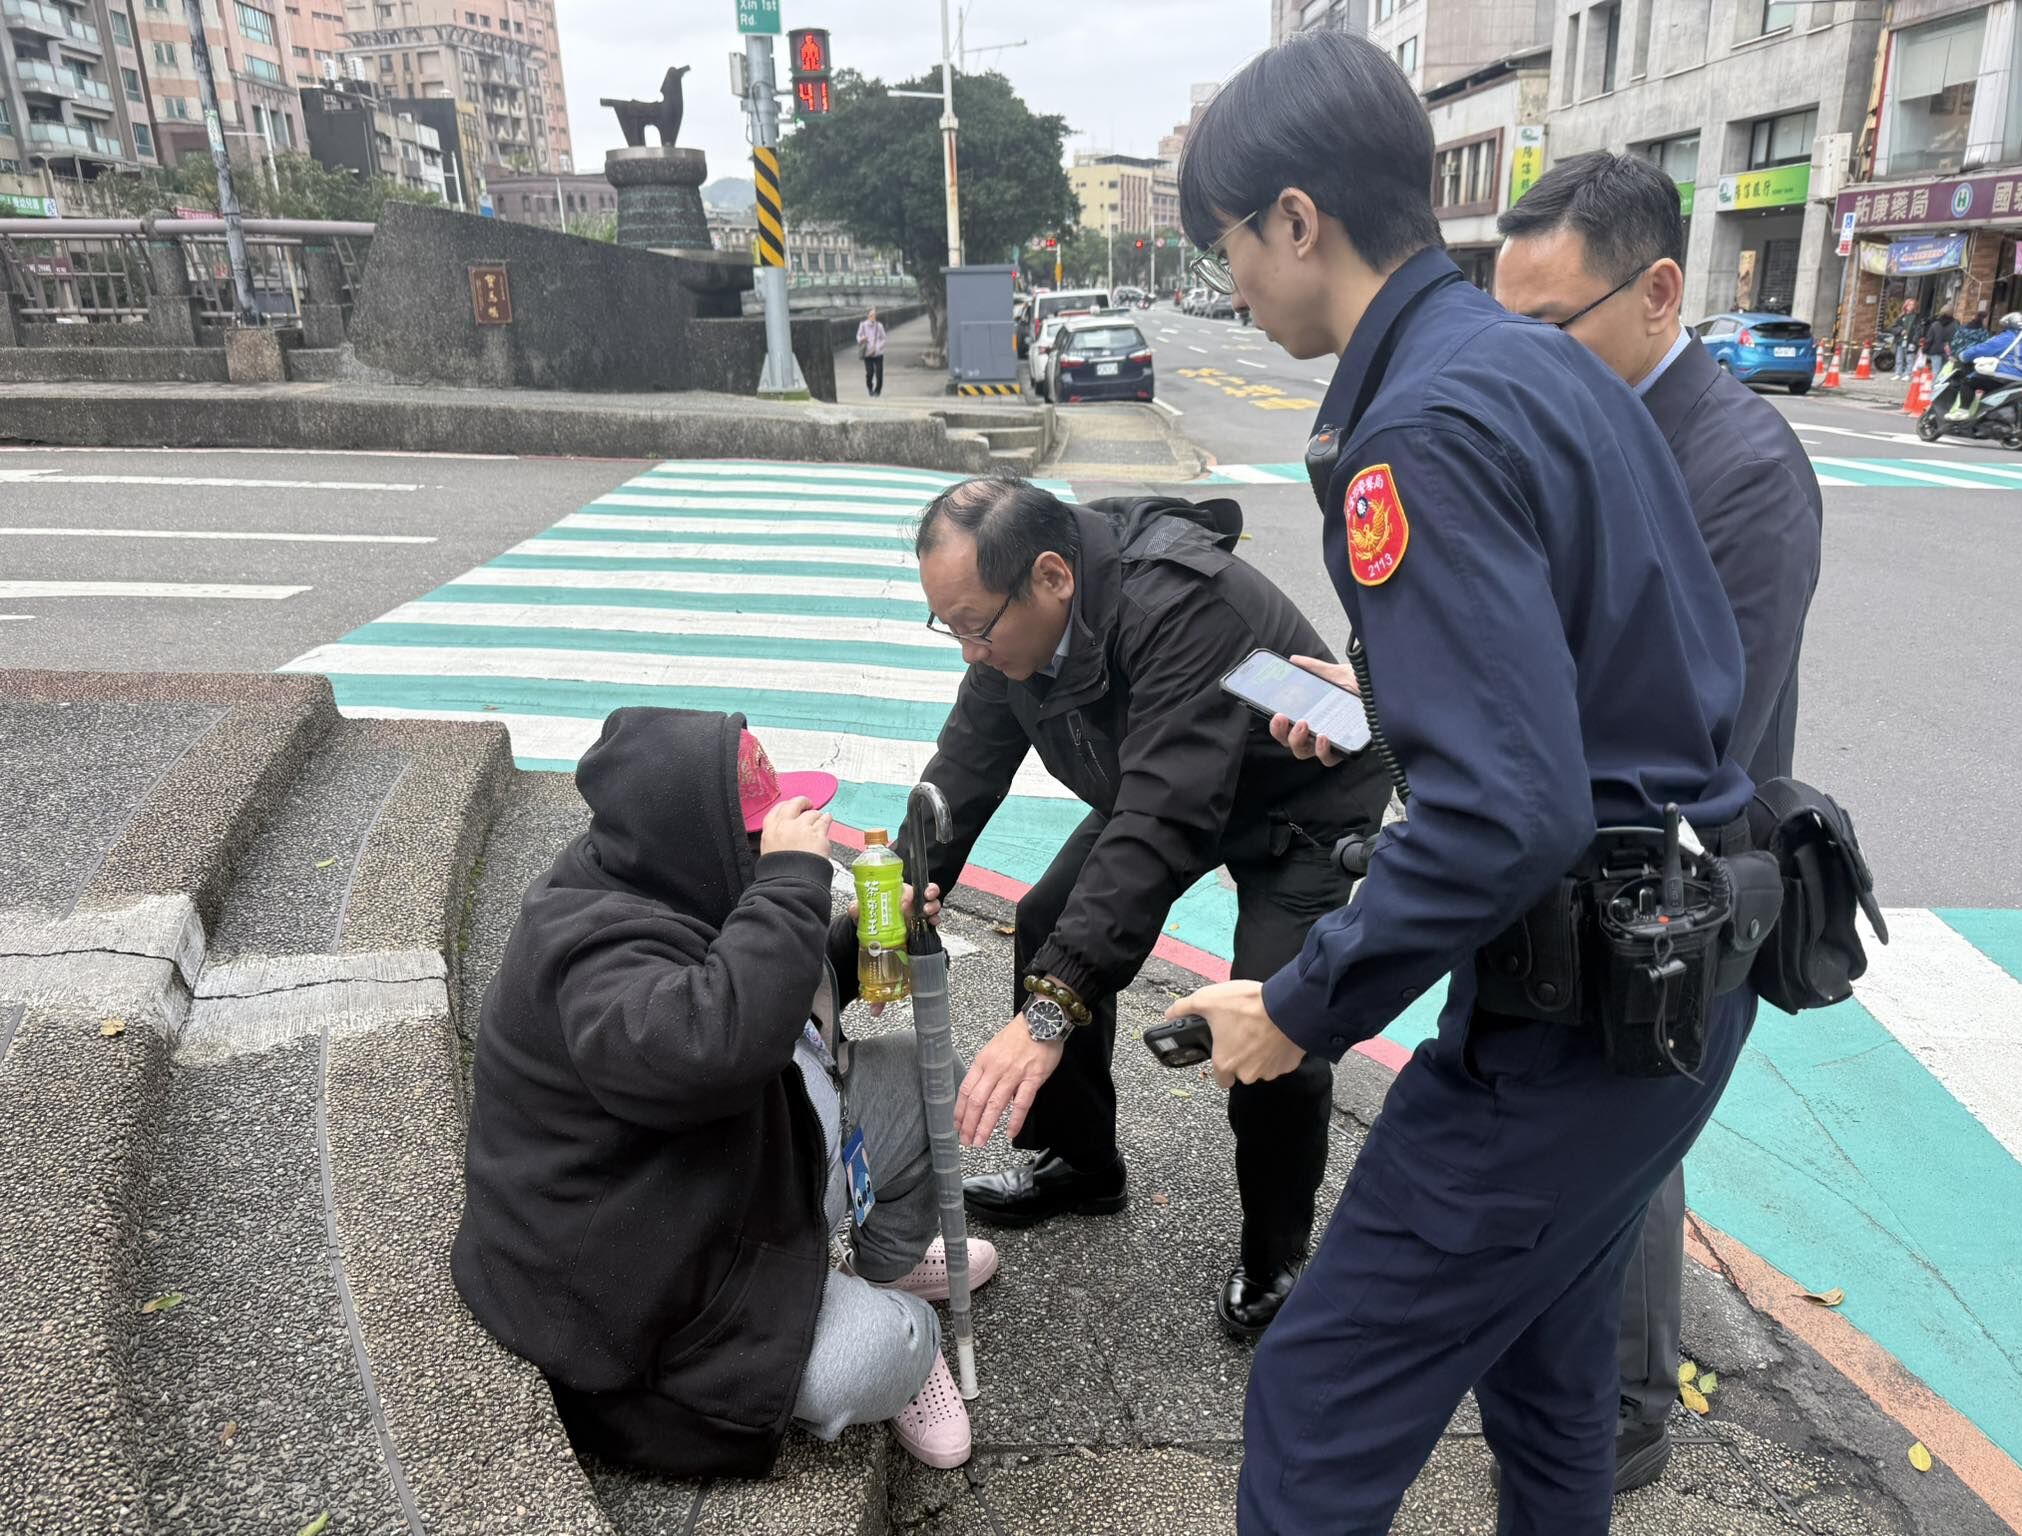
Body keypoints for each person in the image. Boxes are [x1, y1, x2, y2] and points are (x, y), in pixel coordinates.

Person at [1169, 31, 1755, 1534]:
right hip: (1680, 972)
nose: (1229, 281)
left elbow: (1512, 811)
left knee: (1317, 1397)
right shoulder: (1539, 373)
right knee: (1552, 1382)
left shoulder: (1415, 426)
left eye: (1226, 243)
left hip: (1580, 1011)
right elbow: (1624, 678)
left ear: (1296, 219)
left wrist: (1296, 1006)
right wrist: (1413, 699)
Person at [1493, 150, 1824, 1495]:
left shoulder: (1742, 467)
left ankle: (1625, 1417)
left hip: (1660, 895)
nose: (1518, 362)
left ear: (1659, 291)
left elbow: (1689, 744)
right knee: (1572, 1165)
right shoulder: (1560, 432)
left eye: (1546, 328)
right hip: (1543, 873)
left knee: (1623, 1170)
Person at [452, 709, 998, 1478]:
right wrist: (792, 885)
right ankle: (899, 1334)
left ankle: (880, 1268)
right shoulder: (592, 952)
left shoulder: (667, 882)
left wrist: (854, 938)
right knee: (886, 1350)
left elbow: (755, 988)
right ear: (694, 841)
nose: (771, 851)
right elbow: (716, 1047)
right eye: (755, 841)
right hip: (649, 1275)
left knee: (913, 1072)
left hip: (716, 1178)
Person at [908, 476, 1390, 1338]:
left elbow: (1163, 821)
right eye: (948, 629)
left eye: (975, 627)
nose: (968, 652)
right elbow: (968, 761)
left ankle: (1276, 1251)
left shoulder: (1177, 606)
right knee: (1052, 920)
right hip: (1161, 775)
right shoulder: (1011, 633)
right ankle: (1085, 1164)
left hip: (1296, 800)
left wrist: (1051, 1011)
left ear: (1052, 577)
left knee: (1276, 1014)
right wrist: (915, 874)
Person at [1950, 309, 2022, 418]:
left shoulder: (2007, 337)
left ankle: (1962, 412)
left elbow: (1983, 349)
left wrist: (1963, 356)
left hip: (2005, 377)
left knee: (1969, 381)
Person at [857, 307, 888, 397]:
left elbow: (884, 339)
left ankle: (877, 390)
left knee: (879, 373)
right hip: (867, 353)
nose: (873, 317)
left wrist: (878, 347)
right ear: (868, 316)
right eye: (871, 315)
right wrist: (862, 338)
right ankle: (870, 388)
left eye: (874, 315)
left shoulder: (879, 326)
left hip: (878, 353)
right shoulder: (863, 325)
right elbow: (858, 336)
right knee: (869, 373)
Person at [1890, 296, 1922, 376]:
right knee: (1899, 358)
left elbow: (1918, 331)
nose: (1910, 306)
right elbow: (1893, 327)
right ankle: (1898, 373)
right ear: (1905, 306)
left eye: (1912, 305)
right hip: (1900, 340)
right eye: (1909, 304)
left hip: (1910, 341)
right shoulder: (1901, 317)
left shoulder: (1917, 318)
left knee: (1909, 358)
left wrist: (1914, 342)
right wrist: (1900, 331)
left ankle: (1907, 374)